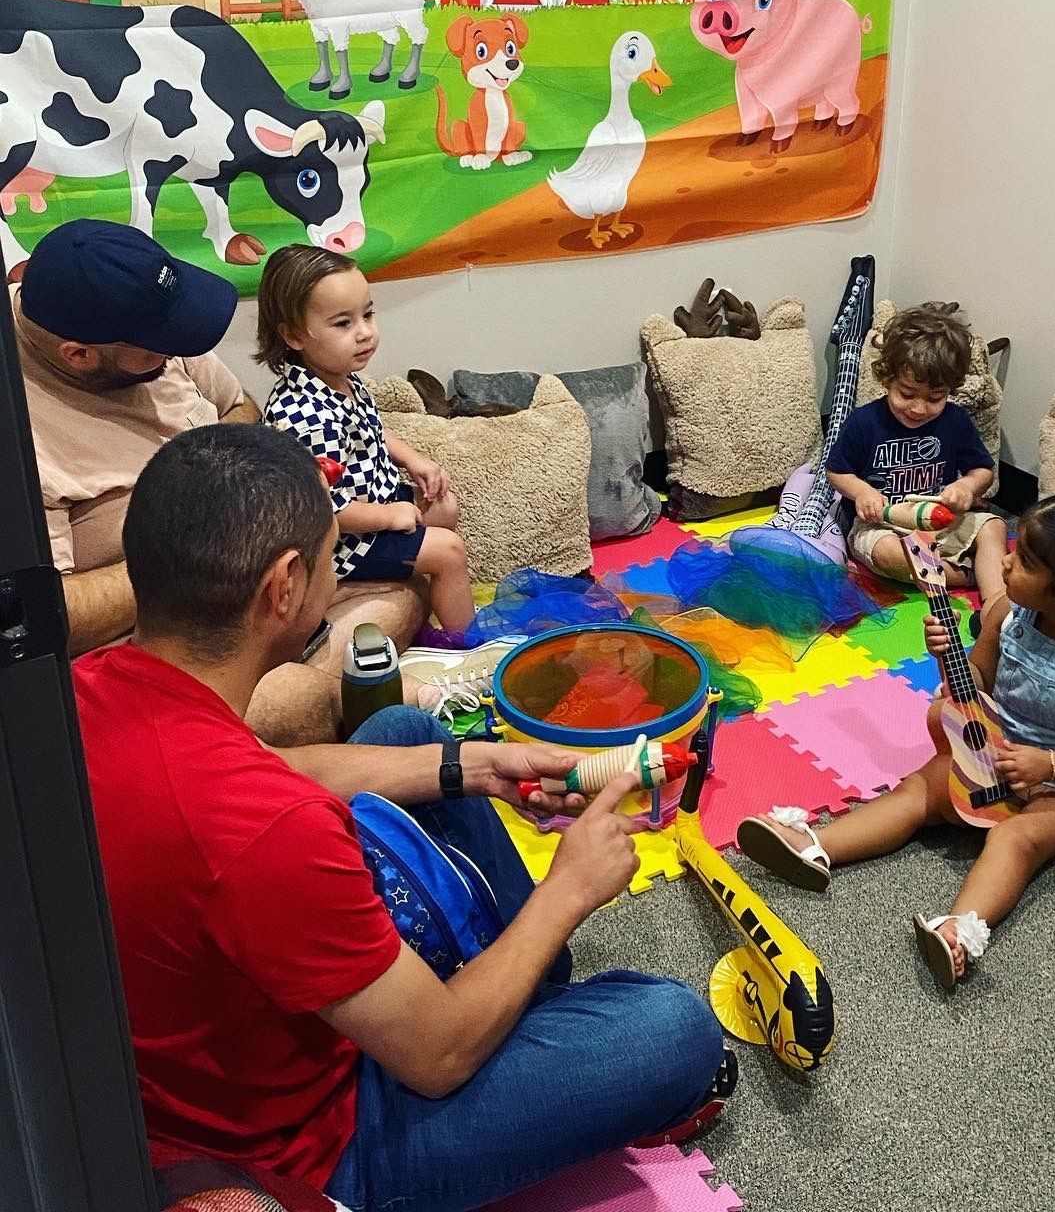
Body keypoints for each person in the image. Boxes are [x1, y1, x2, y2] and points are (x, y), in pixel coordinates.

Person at [71, 422, 728, 1208]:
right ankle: (515, 999)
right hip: (323, 1137)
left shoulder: (90, 685)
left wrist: (478, 766)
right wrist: (569, 889)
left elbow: (268, 766)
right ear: (284, 586)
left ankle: (516, 989)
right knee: (675, 1029)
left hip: (210, 1033)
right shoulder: (271, 833)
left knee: (404, 729)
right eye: (331, 555)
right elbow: (436, 1057)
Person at [9, 219, 424, 745]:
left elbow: (239, 407)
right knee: (291, 704)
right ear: (79, 354)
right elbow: (48, 617)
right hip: (150, 643)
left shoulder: (151, 325)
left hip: (253, 583)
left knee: (410, 584)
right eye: (158, 349)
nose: (175, 354)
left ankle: (330, 702)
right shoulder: (22, 436)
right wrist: (204, 550)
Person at [736, 491, 1055, 989]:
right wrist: (946, 654)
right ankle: (816, 846)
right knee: (917, 789)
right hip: (991, 751)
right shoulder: (1007, 614)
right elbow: (976, 682)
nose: (1005, 561)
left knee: (1014, 839)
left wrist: (1049, 765)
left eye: (1025, 561)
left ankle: (960, 929)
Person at [257, 244, 479, 650]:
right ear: (292, 335)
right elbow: (328, 510)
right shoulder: (307, 417)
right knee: (449, 551)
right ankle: (471, 649)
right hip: (343, 541)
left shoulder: (338, 376)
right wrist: (389, 517)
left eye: (368, 315)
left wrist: (414, 459)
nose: (364, 332)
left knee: (444, 506)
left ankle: (420, 583)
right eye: (343, 323)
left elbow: (369, 427)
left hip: (373, 497)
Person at [825, 301, 1007, 604]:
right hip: (883, 525)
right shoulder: (865, 421)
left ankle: (998, 606)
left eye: (935, 398)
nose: (919, 409)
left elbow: (982, 471)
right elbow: (836, 470)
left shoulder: (955, 420)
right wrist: (862, 492)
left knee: (994, 526)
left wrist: (967, 486)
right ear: (887, 379)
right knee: (888, 554)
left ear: (950, 389)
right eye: (907, 394)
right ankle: (967, 575)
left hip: (941, 520)